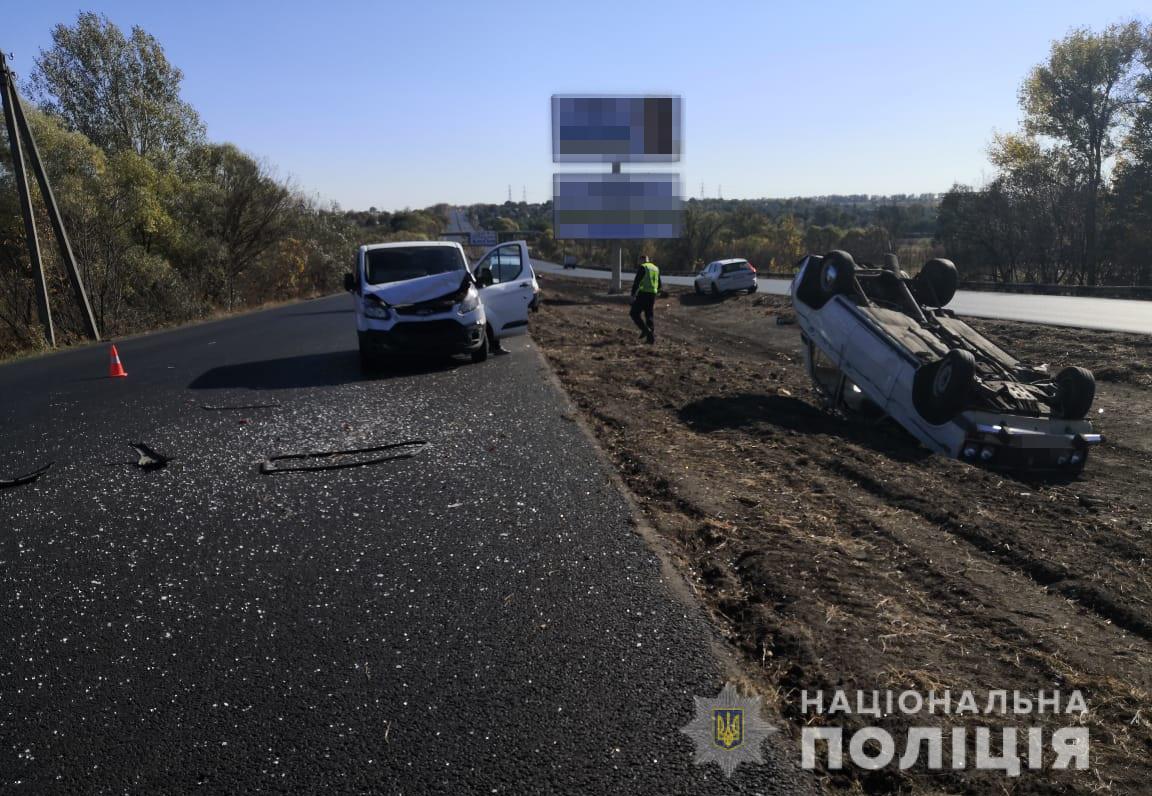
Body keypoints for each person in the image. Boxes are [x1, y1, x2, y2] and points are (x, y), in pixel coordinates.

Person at [629, 254, 661, 344]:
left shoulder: (643, 267)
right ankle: (650, 339)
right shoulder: (655, 268)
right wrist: (656, 293)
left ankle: (647, 331)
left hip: (643, 294)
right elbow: (659, 284)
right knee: (649, 315)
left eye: (639, 261)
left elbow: (636, 282)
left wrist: (632, 295)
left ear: (641, 260)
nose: (638, 263)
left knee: (634, 313)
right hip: (652, 295)